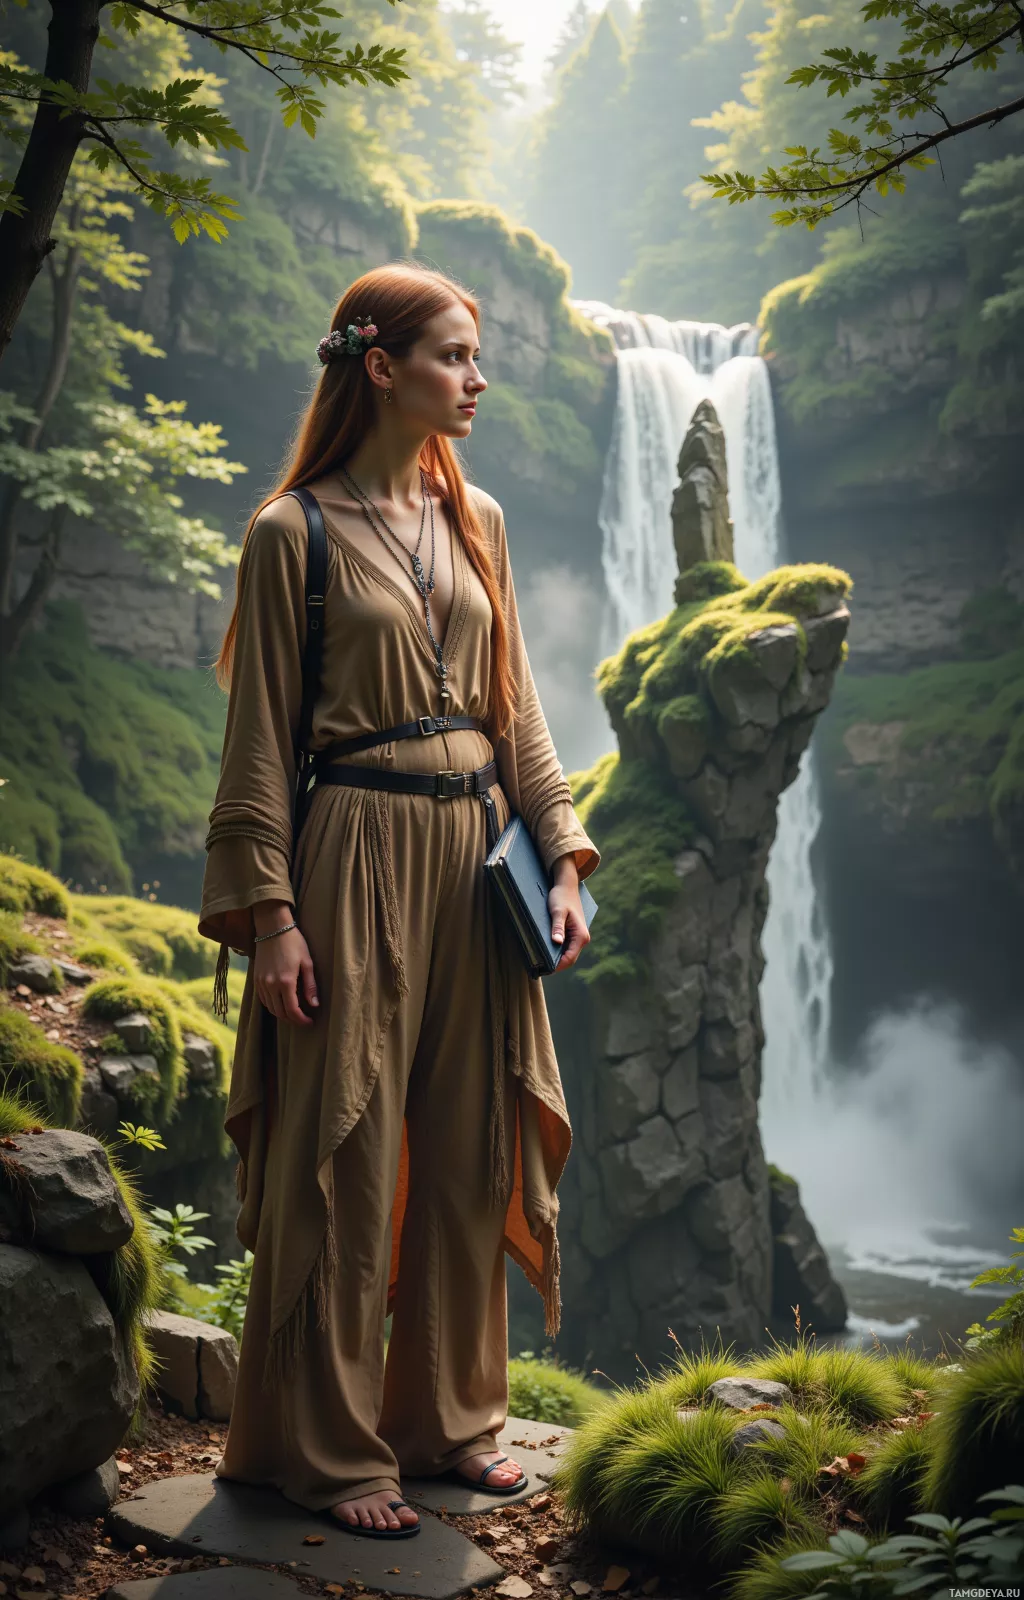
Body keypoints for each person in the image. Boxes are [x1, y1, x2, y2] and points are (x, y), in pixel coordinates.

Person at [197, 263, 601, 1540]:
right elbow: (259, 744)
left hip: (481, 857)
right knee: (348, 1158)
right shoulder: (290, 533)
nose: (477, 380)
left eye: (476, 358)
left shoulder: (476, 516)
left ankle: (447, 1422)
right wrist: (271, 918)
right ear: (380, 366)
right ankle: (324, 1447)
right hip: (353, 853)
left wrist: (565, 852)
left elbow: (516, 707)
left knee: (473, 1150)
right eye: (455, 357)